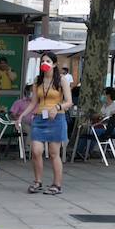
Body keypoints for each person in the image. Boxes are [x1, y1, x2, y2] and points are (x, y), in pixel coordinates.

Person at [26, 62, 72, 194]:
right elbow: (34, 101)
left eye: (48, 61)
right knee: (36, 150)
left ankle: (57, 184)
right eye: (42, 61)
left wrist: (57, 107)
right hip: (40, 118)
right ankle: (37, 181)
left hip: (56, 119)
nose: (44, 64)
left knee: (53, 153)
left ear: (54, 64)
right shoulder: (38, 80)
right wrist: (23, 115)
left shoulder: (61, 79)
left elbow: (69, 101)